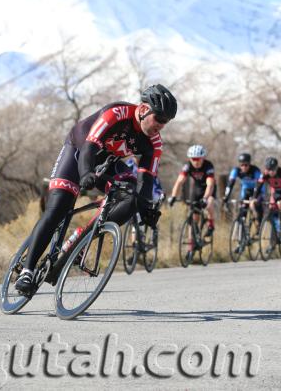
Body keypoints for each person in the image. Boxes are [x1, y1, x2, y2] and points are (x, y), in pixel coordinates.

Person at [14, 84, 177, 294]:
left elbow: (146, 180)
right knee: (58, 207)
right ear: (144, 109)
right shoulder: (117, 114)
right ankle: (27, 271)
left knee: (131, 197)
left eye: (166, 122)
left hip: (106, 163)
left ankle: (83, 239)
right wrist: (85, 174)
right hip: (78, 153)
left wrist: (145, 207)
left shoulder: (154, 142)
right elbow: (90, 146)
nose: (162, 126)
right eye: (160, 119)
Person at [168, 145, 216, 237]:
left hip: (209, 188)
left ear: (203, 158)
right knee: (193, 218)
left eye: (198, 159)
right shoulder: (187, 166)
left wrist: (205, 198)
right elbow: (179, 182)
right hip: (198, 188)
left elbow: (210, 184)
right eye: (193, 159)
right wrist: (173, 196)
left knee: (209, 202)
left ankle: (211, 224)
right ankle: (191, 245)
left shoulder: (208, 166)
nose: (195, 161)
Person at [252, 156, 281, 234]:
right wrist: (254, 197)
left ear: (277, 168)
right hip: (276, 191)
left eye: (273, 169)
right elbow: (259, 186)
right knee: (272, 210)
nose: (271, 172)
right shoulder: (264, 174)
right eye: (268, 170)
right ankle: (276, 231)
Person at [222, 152, 264, 227]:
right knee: (242, 209)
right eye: (242, 165)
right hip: (246, 190)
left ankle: (258, 224)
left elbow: (259, 185)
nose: (244, 167)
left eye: (246, 165)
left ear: (249, 164)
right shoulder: (236, 170)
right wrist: (226, 196)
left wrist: (254, 198)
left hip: (258, 190)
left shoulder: (255, 171)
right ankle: (243, 225)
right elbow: (230, 184)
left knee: (255, 205)